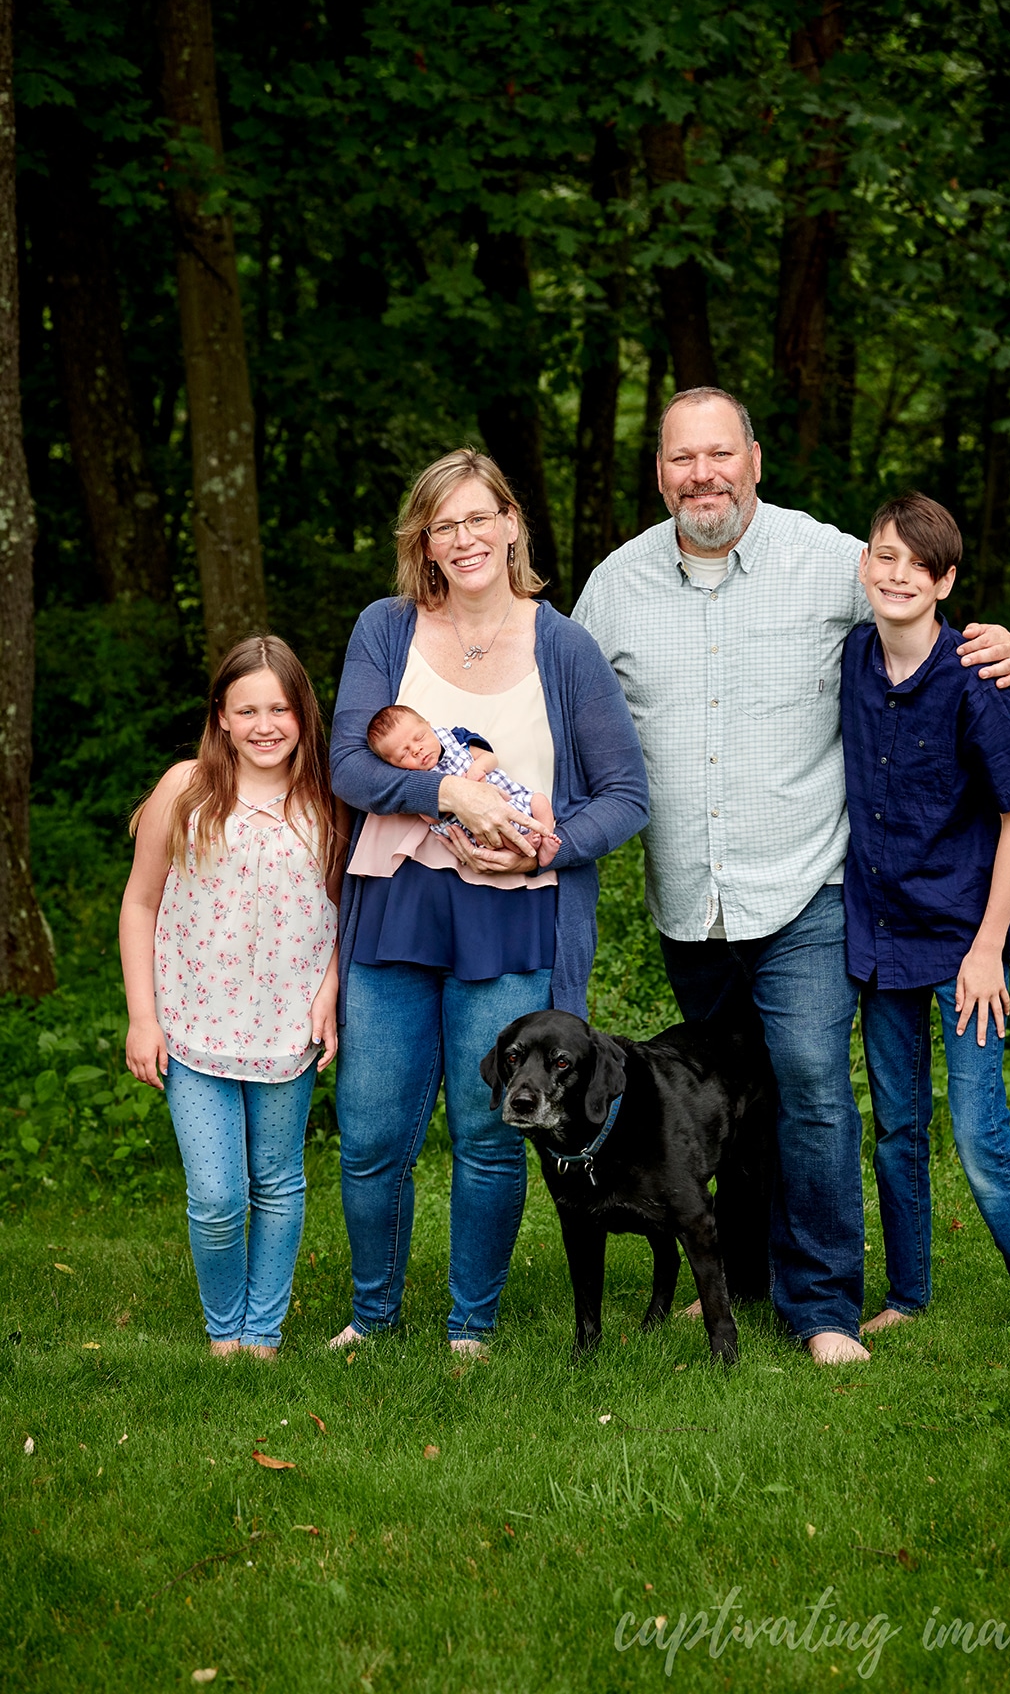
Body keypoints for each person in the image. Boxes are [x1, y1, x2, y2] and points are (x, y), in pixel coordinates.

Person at [572, 385, 1010, 1364]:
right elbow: (560, 702)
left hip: (808, 885)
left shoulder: (828, 562)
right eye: (683, 458)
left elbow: (920, 617)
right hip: (691, 900)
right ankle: (741, 1271)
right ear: (660, 473)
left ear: (755, 460)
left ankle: (821, 1307)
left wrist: (996, 642)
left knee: (814, 1081)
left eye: (720, 454)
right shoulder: (614, 588)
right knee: (728, 1095)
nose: (703, 475)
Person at [328, 447, 648, 1355]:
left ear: (511, 524)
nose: (465, 537)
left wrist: (548, 847)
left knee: (491, 1129)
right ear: (424, 543)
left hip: (514, 917)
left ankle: (471, 1325)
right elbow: (349, 764)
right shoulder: (385, 631)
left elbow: (625, 796)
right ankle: (373, 1315)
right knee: (373, 1131)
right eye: (445, 524)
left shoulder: (564, 646)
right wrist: (448, 794)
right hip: (398, 908)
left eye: (481, 517)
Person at [842, 492, 1010, 1346]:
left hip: (963, 941)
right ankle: (908, 1296)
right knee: (898, 1129)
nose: (896, 572)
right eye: (883, 555)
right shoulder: (851, 660)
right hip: (879, 933)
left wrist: (987, 951)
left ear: (946, 580)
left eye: (917, 562)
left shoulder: (977, 684)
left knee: (980, 1136)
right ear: (864, 566)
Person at [119, 635, 341, 1360]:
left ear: (303, 715)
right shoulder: (185, 788)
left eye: (279, 708)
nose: (265, 724)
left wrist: (330, 991)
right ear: (220, 716)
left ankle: (263, 1335)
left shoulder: (329, 799)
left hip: (286, 1028)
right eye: (247, 709)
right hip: (193, 1025)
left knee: (277, 1183)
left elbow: (354, 909)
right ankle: (225, 1334)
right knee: (218, 1198)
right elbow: (140, 904)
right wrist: (143, 1018)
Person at [364, 702, 561, 865]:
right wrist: (455, 800)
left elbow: (490, 758)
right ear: (393, 765)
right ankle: (524, 846)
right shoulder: (414, 779)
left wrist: (479, 768)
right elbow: (430, 818)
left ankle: (546, 837)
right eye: (404, 754)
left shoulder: (455, 738)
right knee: (493, 837)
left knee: (539, 800)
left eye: (419, 737)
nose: (417, 750)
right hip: (479, 826)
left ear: (428, 725)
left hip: (512, 799)